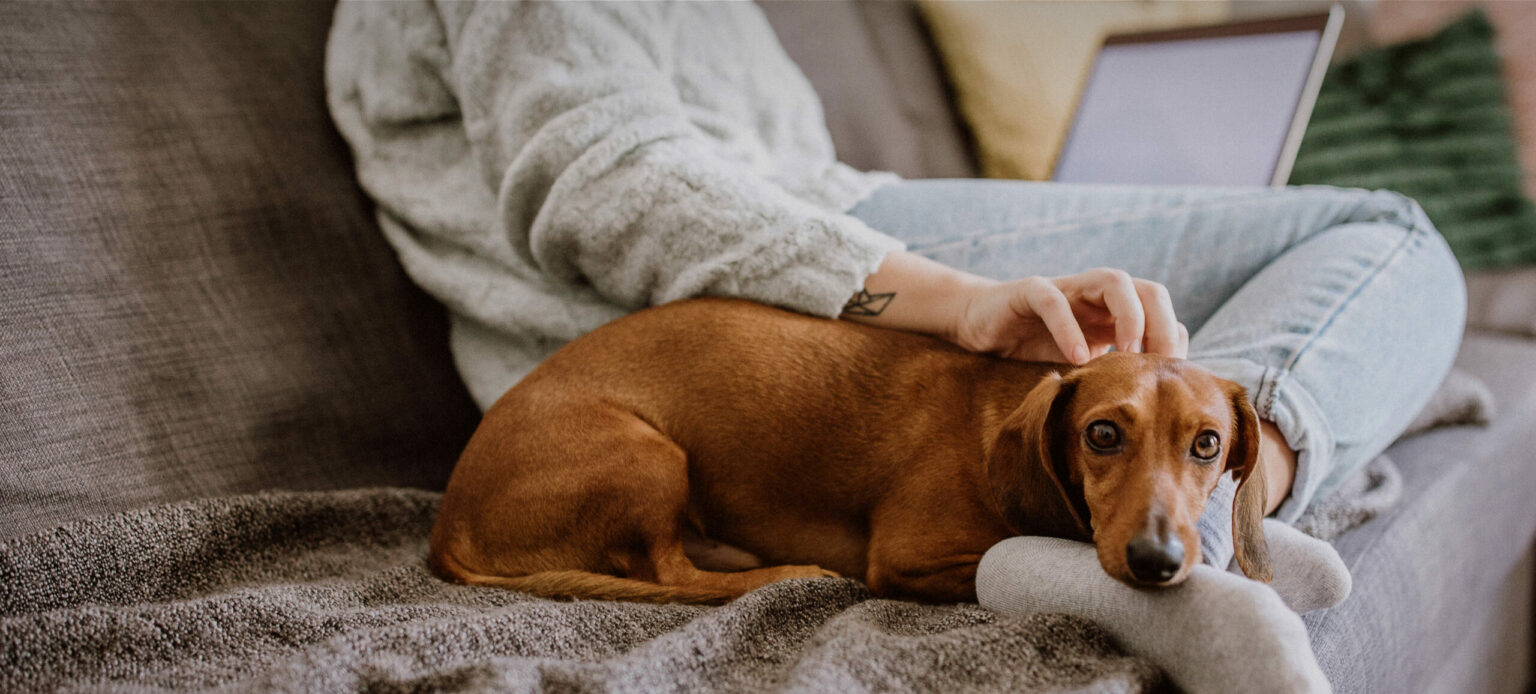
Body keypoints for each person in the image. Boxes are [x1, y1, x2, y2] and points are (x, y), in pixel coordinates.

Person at [324, 0, 1463, 671]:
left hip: (825, 241)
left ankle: (1253, 494)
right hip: (812, 263)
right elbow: (606, 184)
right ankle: (1245, 515)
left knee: (1235, 324)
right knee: (1387, 233)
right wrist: (946, 297)